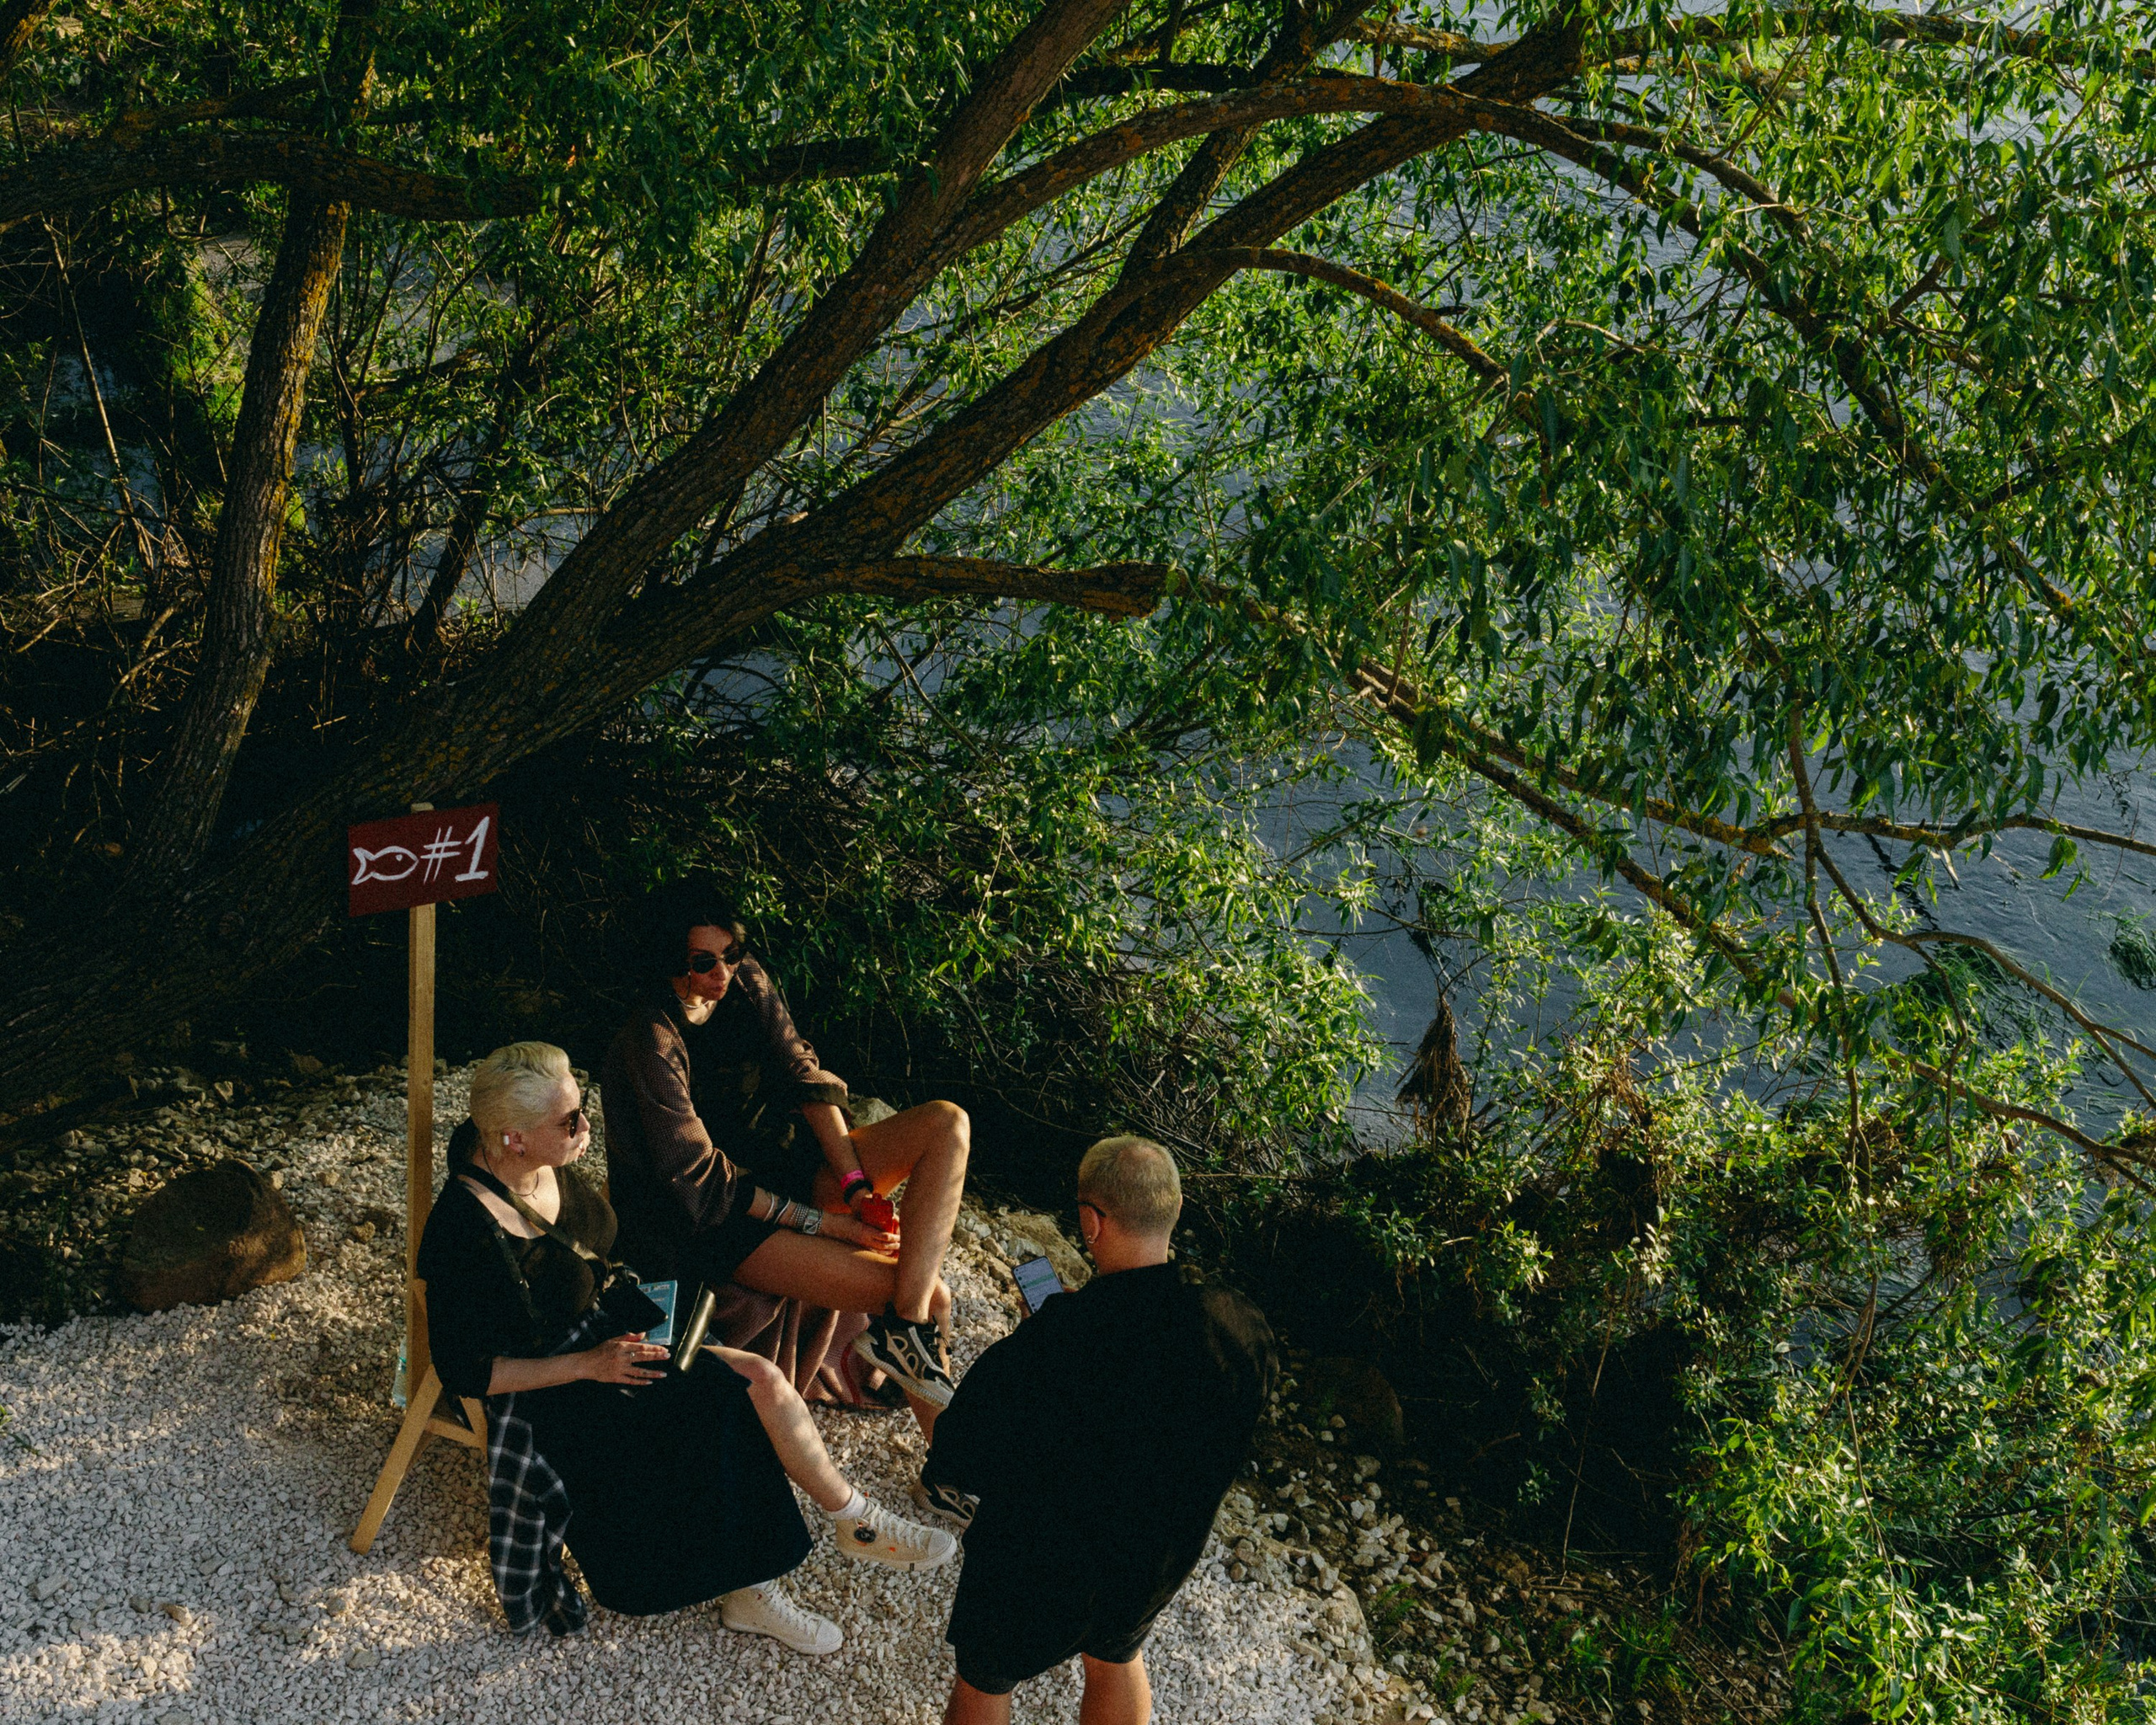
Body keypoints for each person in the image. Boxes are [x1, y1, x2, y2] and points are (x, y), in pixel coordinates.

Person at [417, 1041, 956, 1651]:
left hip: (607, 1336)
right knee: (730, 1405)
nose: (586, 1125)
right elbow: (465, 1369)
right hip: (552, 1383)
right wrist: (590, 1365)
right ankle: (763, 1583)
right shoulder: (463, 1234)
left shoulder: (539, 1164)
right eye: (569, 1121)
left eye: (583, 1105)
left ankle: (847, 1522)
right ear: (513, 1138)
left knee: (760, 1381)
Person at [921, 1135, 1278, 1725]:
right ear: (1172, 1209)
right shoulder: (1240, 1322)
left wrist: (1050, 1330)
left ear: (1091, 1221)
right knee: (1116, 1656)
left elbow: (960, 1457)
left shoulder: (1055, 1342)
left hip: (1039, 1563)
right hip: (1155, 1559)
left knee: (985, 1681)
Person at [600, 880, 971, 1430]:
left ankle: (901, 1333)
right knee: (931, 1294)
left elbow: (801, 1071)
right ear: (667, 960)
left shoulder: (741, 982)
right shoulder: (649, 1040)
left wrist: (853, 1185)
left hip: (787, 1164)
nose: (723, 974)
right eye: (704, 962)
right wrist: (827, 1225)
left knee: (947, 1122)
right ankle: (948, 1467)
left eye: (731, 955)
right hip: (718, 1218)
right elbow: (701, 1185)